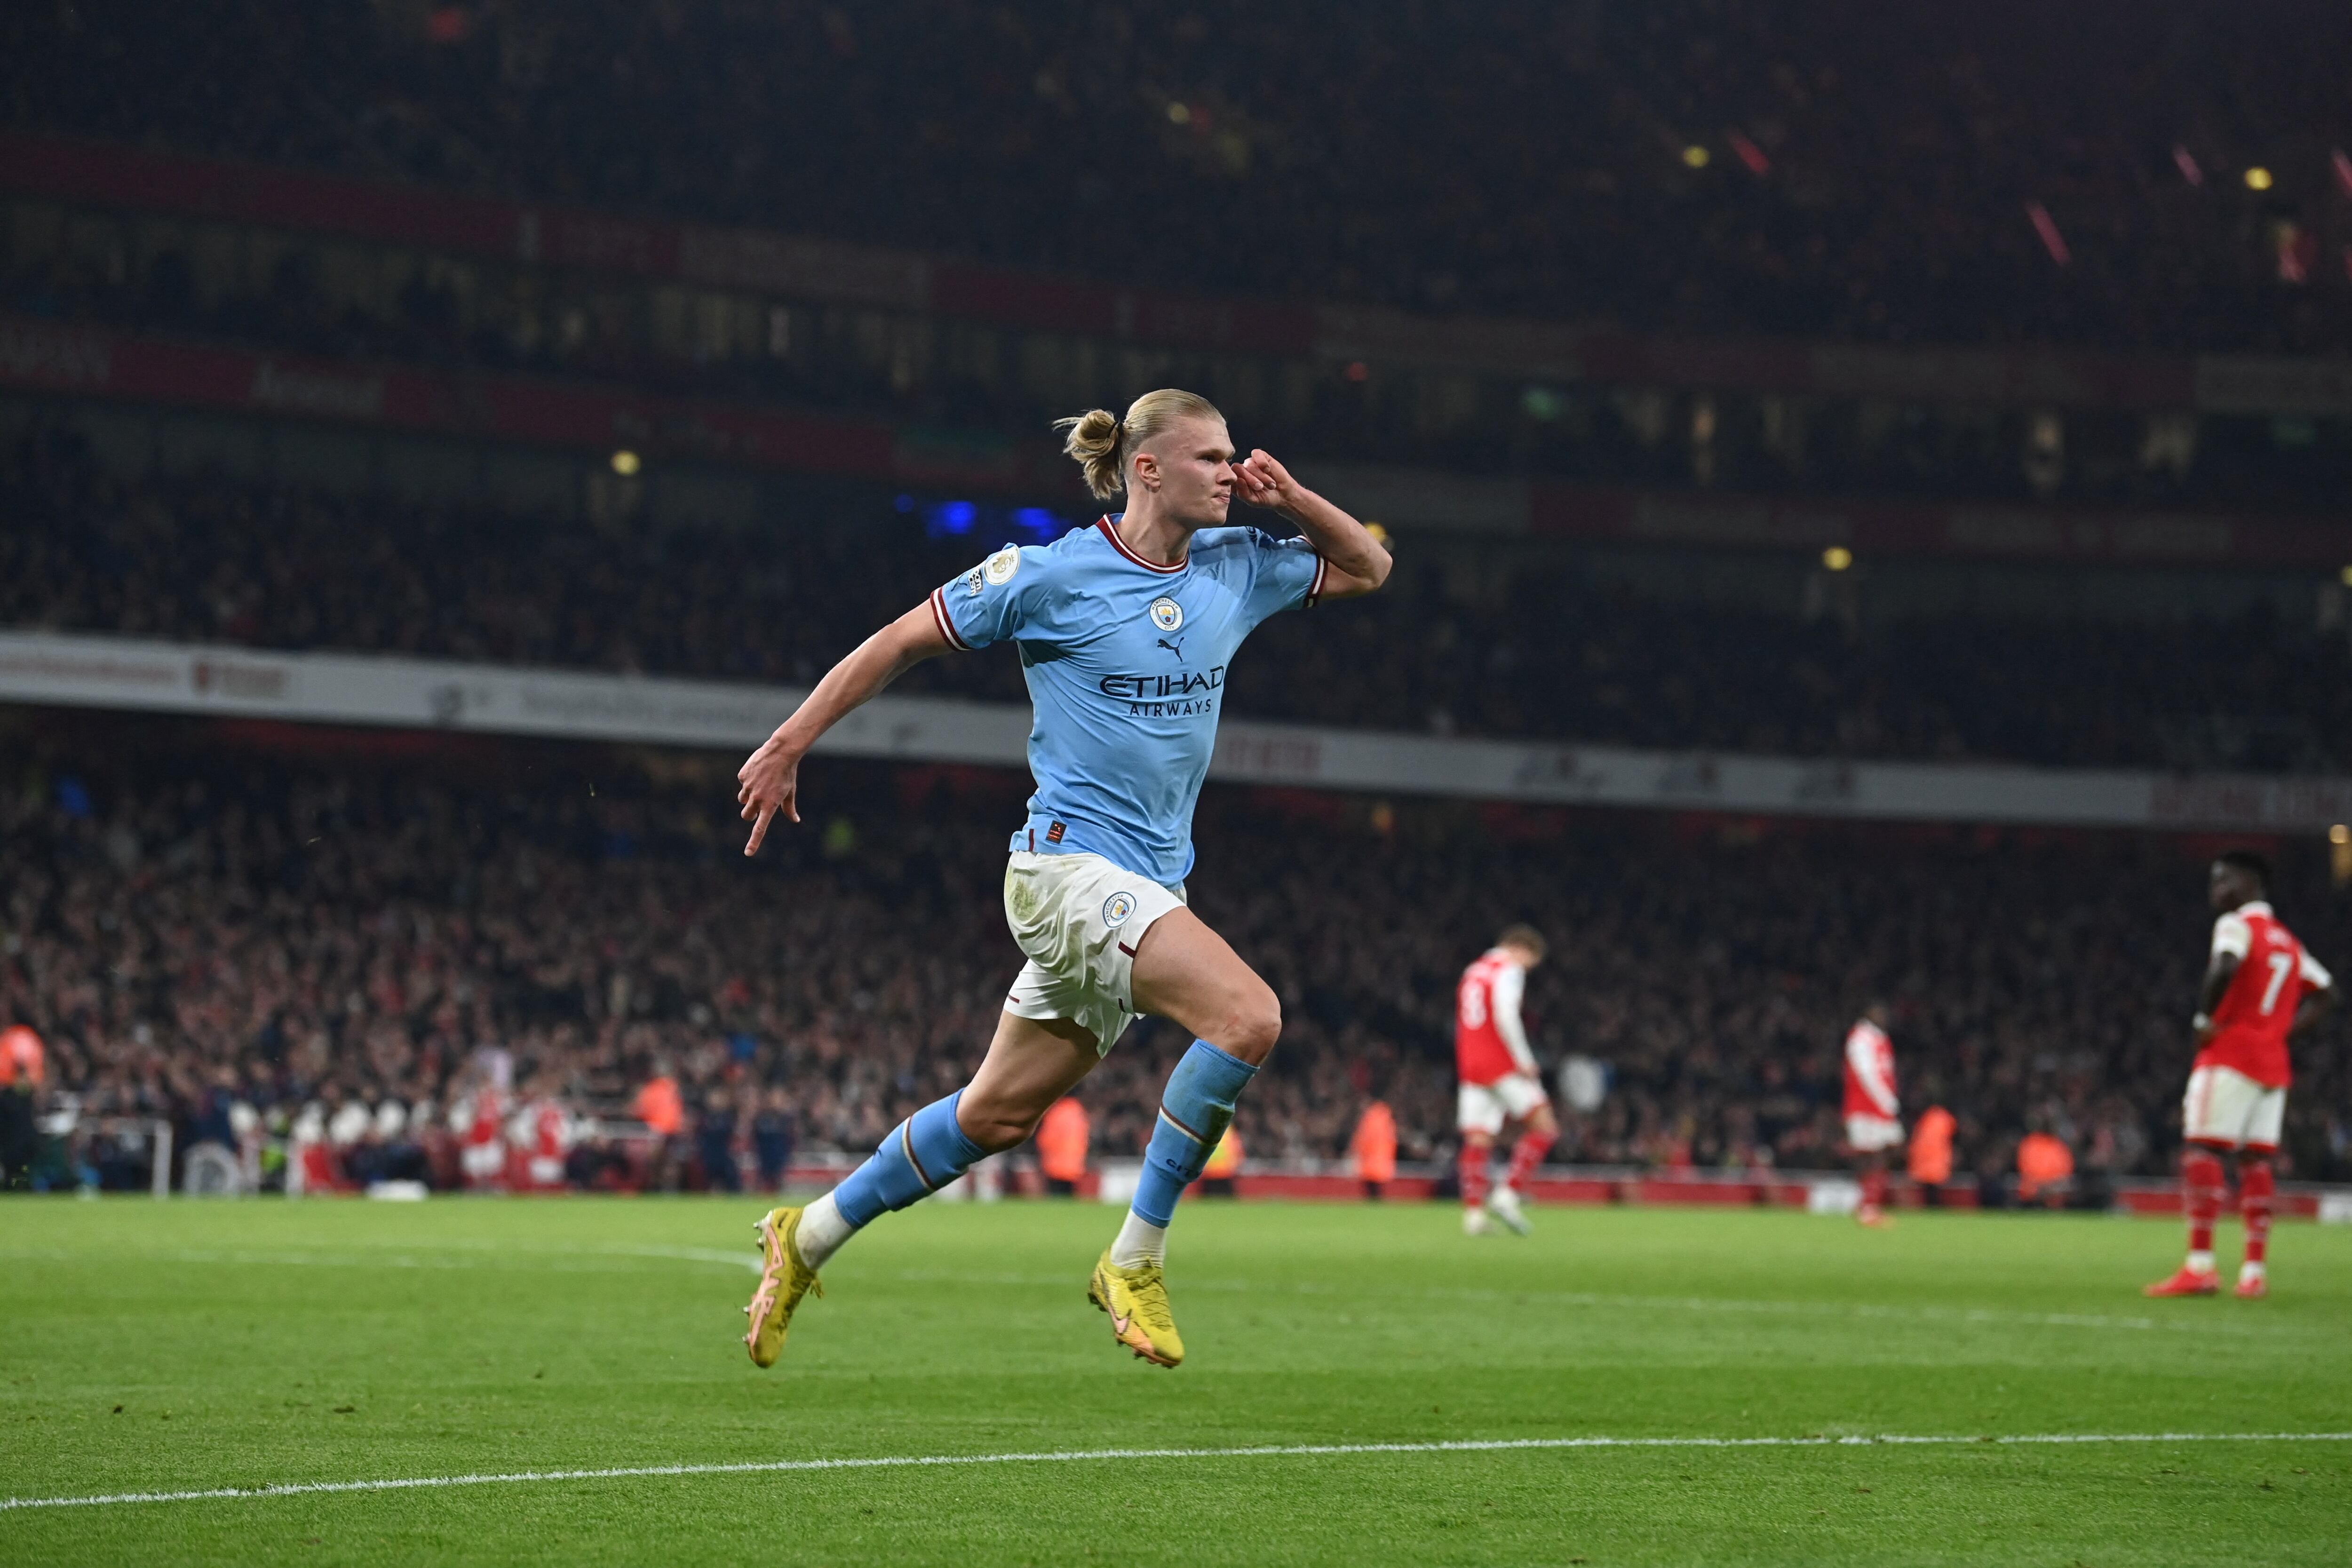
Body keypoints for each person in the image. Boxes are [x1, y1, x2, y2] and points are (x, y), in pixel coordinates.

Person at [734, 389, 1390, 1369]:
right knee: (1248, 1017)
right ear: (1147, 468)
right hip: (1064, 870)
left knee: (995, 1114)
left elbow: (1369, 565)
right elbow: (899, 641)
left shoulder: (1236, 566)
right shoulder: (1050, 575)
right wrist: (791, 741)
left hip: (1144, 888)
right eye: (1209, 456)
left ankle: (810, 1234)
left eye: (1233, 457)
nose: (1230, 470)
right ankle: (1135, 1257)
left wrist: (1291, 496)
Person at [2147, 850, 2336, 1299]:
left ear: (2249, 883)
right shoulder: (2288, 943)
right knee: (2256, 1162)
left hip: (2231, 1055)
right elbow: (2328, 992)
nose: (2217, 892)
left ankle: (2201, 1265)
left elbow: (2226, 964)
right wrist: (2281, 1032)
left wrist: (2203, 1021)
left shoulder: (2236, 926)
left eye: (2223, 881)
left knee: (2203, 1151)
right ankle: (2253, 1273)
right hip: (2273, 1063)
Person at [1454, 926, 1555, 1236]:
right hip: (1501, 1062)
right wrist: (1524, 1060)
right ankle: (1507, 1194)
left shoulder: (1474, 970)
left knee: (1478, 1139)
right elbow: (1505, 1014)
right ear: (1521, 949)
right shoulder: (1507, 969)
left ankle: (1474, 1217)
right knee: (1545, 1127)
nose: (1526, 969)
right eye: (1529, 962)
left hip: (1471, 1063)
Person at [1841, 1003, 1902, 1227]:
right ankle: (1868, 1208)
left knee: (1886, 1152)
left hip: (1877, 1108)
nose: (1885, 1016)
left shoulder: (1879, 1038)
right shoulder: (1861, 1038)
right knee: (1875, 1155)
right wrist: (1884, 1099)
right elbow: (1865, 1073)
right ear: (1868, 1014)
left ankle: (1868, 1204)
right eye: (1880, 1012)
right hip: (1865, 1108)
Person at [0, 1022, 45, 1190]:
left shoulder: (21, 1097)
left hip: (19, 1133)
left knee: (24, 1148)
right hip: (15, 1129)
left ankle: (17, 1181)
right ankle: (15, 1181)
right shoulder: (12, 1098)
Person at [1036, 1095, 1090, 1196]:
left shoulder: (1056, 1112)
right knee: (1068, 1196)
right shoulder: (1079, 1112)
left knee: (1057, 1198)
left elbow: (1046, 1138)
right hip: (1075, 1163)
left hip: (1055, 1164)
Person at [1907, 1103, 1955, 1206]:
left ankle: (1933, 1206)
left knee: (1930, 1189)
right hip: (1935, 1161)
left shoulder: (1925, 1119)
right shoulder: (1944, 1119)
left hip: (1928, 1160)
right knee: (1932, 1189)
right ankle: (1934, 1207)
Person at [1351, 1096, 1398, 1200]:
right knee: (1377, 1191)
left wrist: (1357, 1151)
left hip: (1370, 1162)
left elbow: (1364, 1140)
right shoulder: (1387, 1120)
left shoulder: (1370, 1119)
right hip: (1383, 1161)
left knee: (1372, 1193)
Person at [1198, 1124, 1241, 1198]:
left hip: (1221, 1173)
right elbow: (1237, 1149)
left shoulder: (1206, 1128)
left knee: (1210, 1202)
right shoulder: (1229, 1130)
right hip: (1215, 1173)